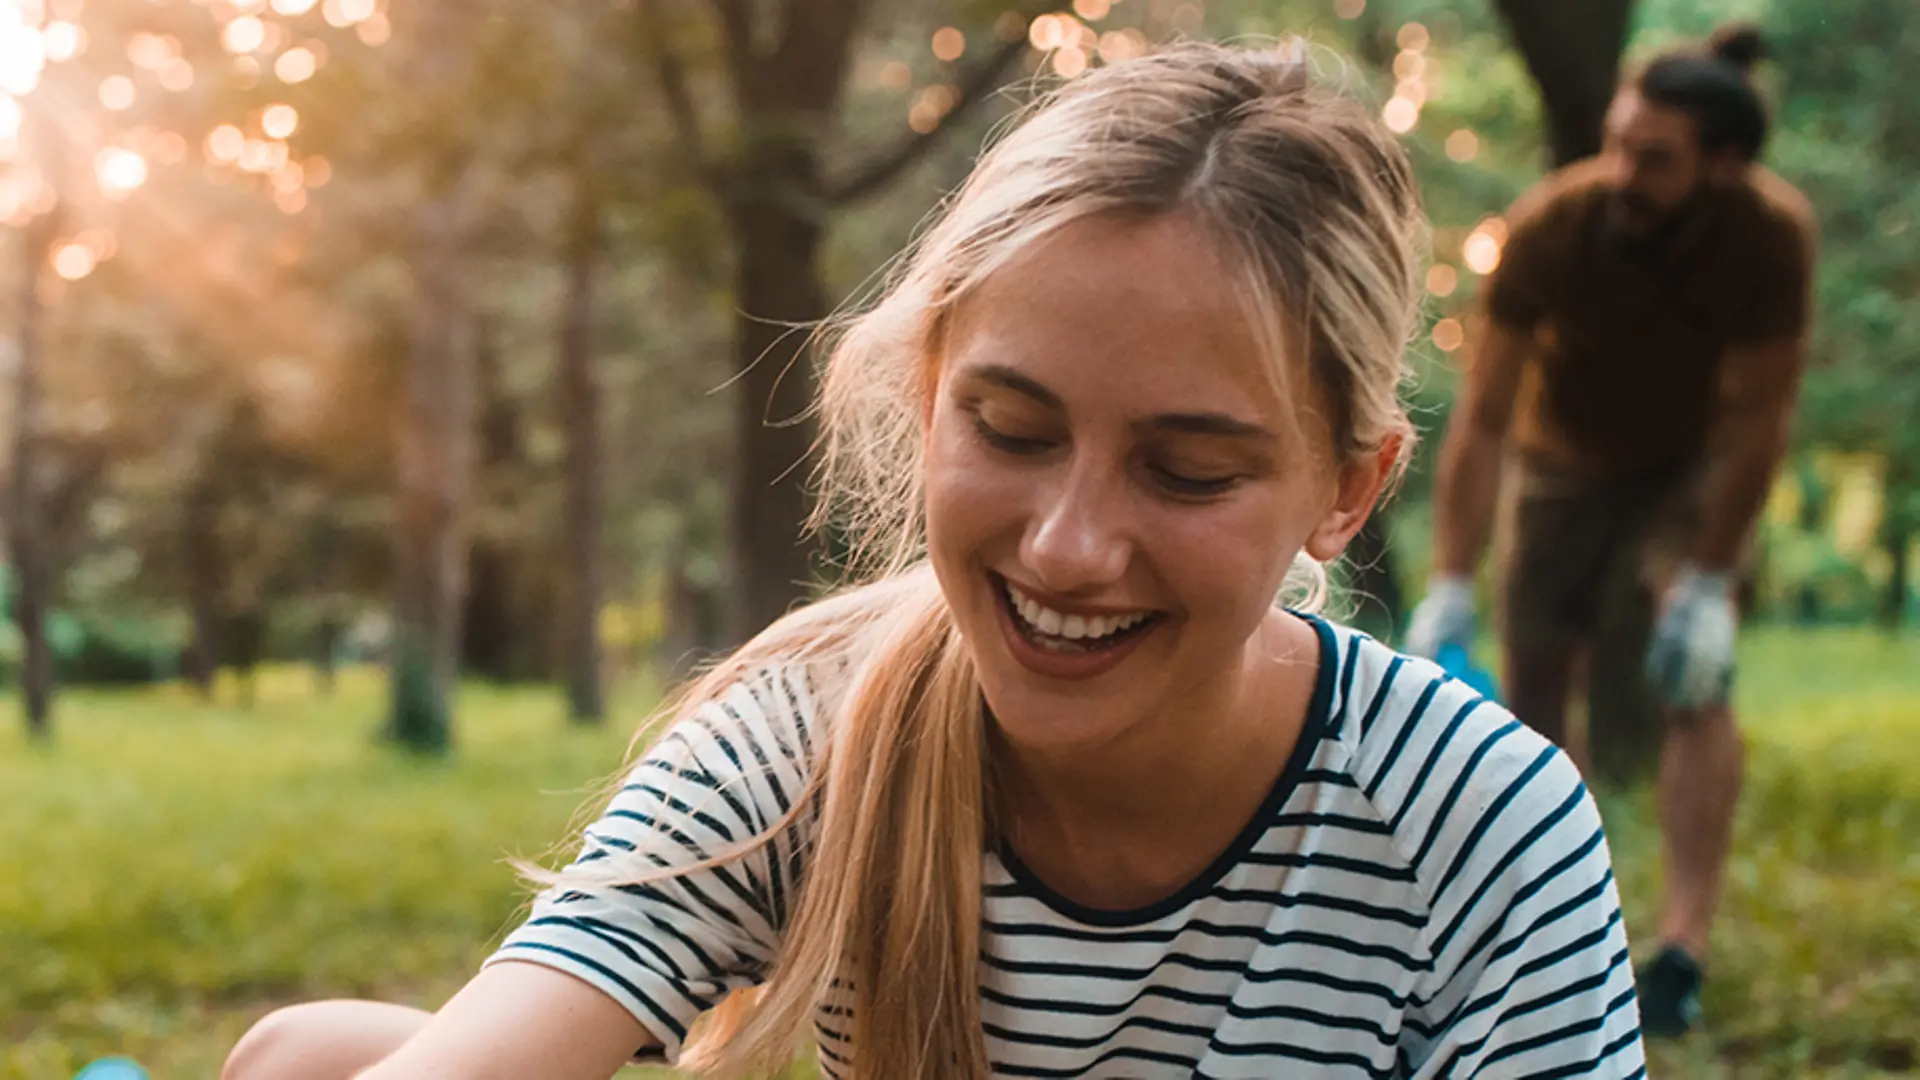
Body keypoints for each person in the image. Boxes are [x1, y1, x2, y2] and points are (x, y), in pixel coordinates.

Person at [227, 43, 1644, 1079]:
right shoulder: (809, 730)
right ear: (927, 400)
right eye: (1013, 429)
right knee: (306, 1057)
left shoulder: (1476, 829)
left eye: (1188, 469)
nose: (1072, 547)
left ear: (1348, 490)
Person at [1403, 24, 1815, 1039]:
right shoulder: (1553, 223)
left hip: (1689, 469)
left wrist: (1712, 582)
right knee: (1537, 697)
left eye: (1656, 158)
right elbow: (1486, 416)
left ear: (1724, 166)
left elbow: (1762, 417)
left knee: (1693, 678)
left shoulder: (1771, 237)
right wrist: (1453, 577)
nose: (1623, 170)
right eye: (1620, 142)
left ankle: (1680, 947)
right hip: (1559, 467)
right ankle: (1552, 927)